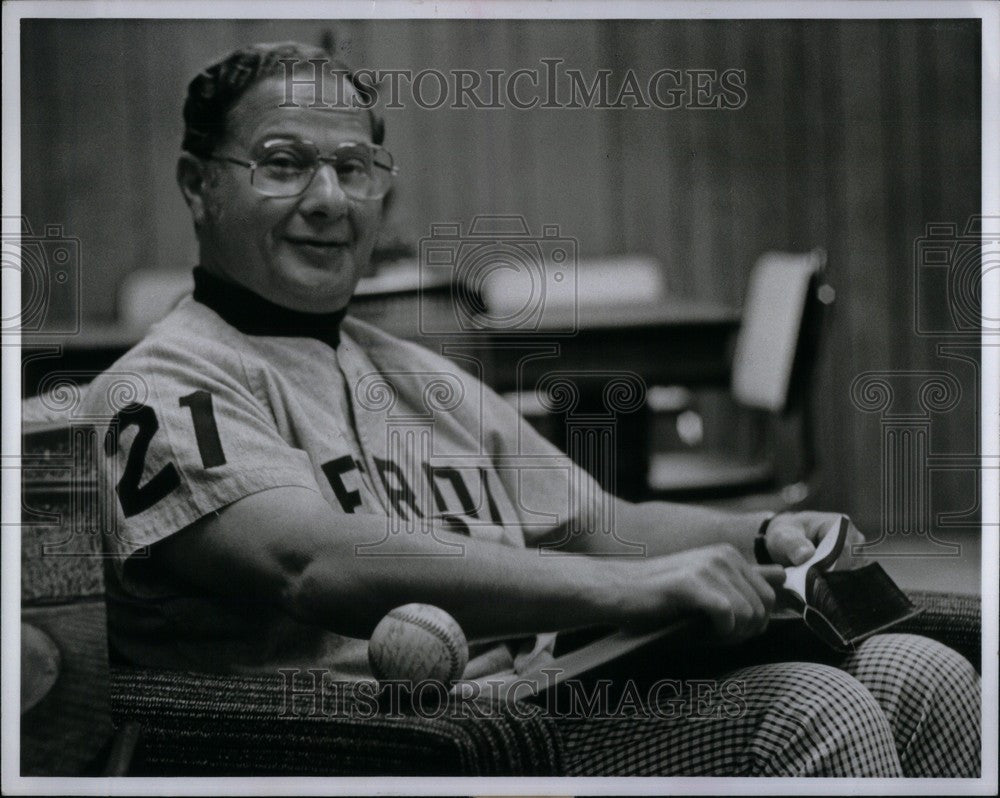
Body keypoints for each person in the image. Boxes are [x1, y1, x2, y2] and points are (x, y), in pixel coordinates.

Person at [83, 41, 980, 777]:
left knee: (919, 671)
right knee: (806, 712)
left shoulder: (409, 374)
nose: (326, 199)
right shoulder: (157, 387)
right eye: (283, 164)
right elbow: (309, 564)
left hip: (525, 714)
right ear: (199, 183)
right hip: (365, 746)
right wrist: (633, 589)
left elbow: (602, 524)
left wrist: (756, 537)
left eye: (353, 167)